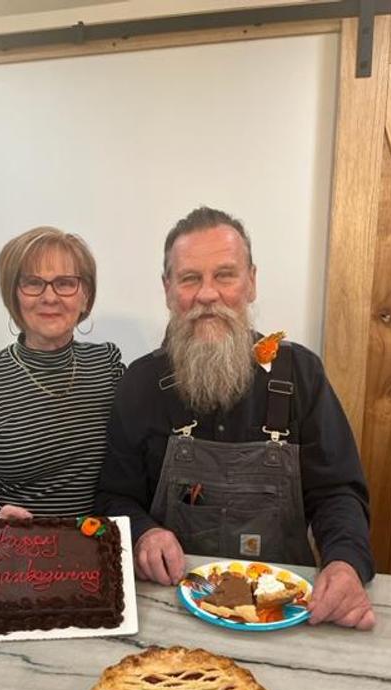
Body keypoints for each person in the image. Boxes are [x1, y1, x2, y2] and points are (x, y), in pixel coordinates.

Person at [96, 206, 376, 630]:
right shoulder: (140, 383)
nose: (207, 294)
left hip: (284, 608)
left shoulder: (300, 373)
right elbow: (113, 498)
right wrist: (143, 534)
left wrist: (345, 563)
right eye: (190, 278)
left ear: (251, 282)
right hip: (171, 609)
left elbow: (338, 493)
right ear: (168, 289)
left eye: (224, 275)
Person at [0, 225, 124, 522]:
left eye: (65, 283)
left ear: (85, 297)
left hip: (99, 550)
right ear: (15, 297)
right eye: (33, 283)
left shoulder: (107, 366)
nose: (49, 297)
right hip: (16, 555)